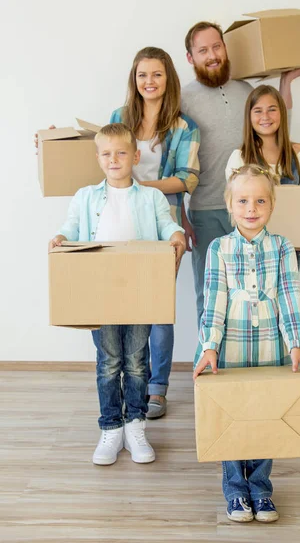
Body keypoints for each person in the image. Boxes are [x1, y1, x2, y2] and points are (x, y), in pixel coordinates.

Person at [49, 123, 186, 466]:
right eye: (107, 154)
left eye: (122, 152)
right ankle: (111, 427)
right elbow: (71, 228)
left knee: (137, 363)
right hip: (100, 293)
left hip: (140, 292)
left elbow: (167, 225)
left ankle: (135, 425)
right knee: (109, 362)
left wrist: (177, 233)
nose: (114, 159)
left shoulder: (152, 197)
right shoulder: (85, 197)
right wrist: (61, 239)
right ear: (98, 158)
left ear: (135, 156)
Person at [193, 164, 300, 523]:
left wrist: (296, 343)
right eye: (243, 200)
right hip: (230, 350)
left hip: (271, 350)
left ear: (272, 205)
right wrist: (209, 346)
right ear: (229, 205)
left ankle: (261, 488)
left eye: (260, 200)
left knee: (266, 416)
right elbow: (213, 300)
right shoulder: (219, 248)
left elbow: (290, 296)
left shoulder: (282, 247)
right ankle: (235, 489)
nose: (251, 208)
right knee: (233, 418)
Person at [180, 21, 300, 325]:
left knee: (259, 292)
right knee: (211, 293)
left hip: (254, 207)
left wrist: (286, 83)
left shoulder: (245, 90)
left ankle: (255, 359)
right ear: (191, 58)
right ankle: (209, 365)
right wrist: (181, 215)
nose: (212, 55)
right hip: (207, 210)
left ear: (225, 48)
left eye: (217, 46)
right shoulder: (182, 98)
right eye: (203, 50)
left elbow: (276, 124)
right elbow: (159, 144)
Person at [109, 47, 200, 419]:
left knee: (159, 308)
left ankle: (157, 388)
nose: (149, 81)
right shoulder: (118, 118)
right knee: (127, 306)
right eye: (143, 74)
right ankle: (133, 382)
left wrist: (141, 186)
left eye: (157, 74)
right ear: (134, 78)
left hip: (164, 226)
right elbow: (103, 154)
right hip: (119, 225)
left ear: (169, 79)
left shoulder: (183, 127)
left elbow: (187, 178)